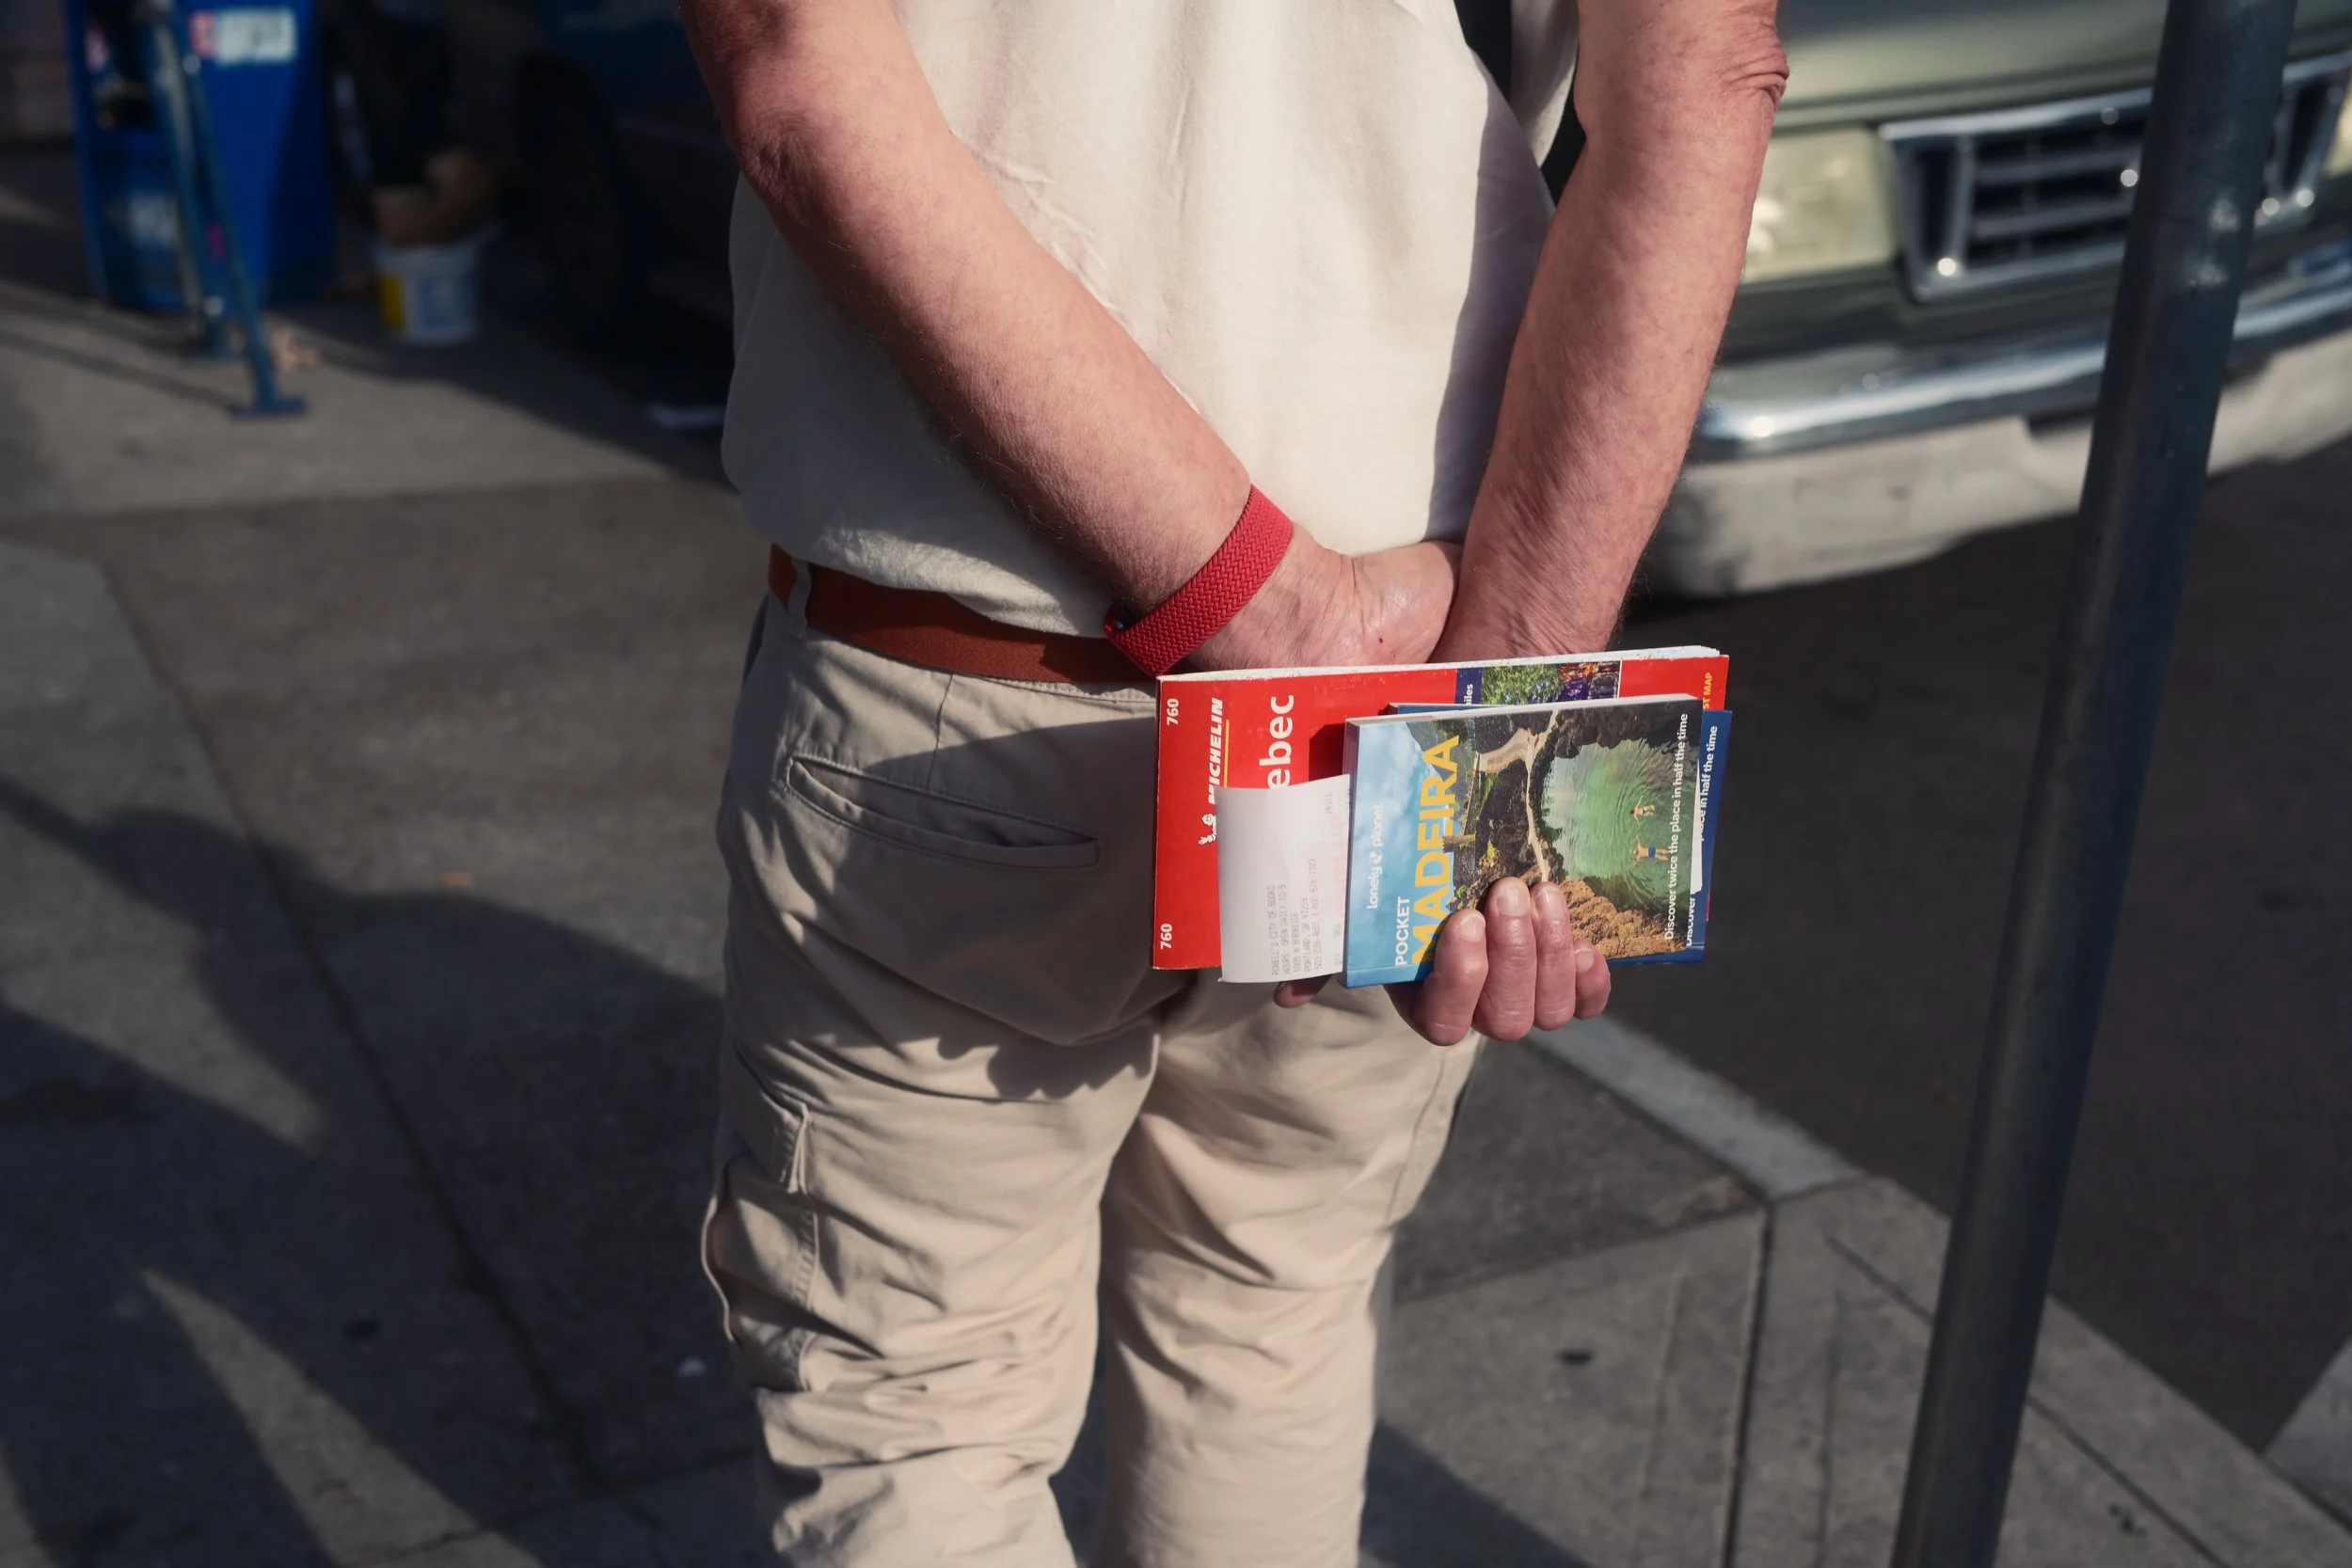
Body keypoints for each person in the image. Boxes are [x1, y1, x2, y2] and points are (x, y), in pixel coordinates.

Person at [676, 2, 1784, 1562]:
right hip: (1401, 700)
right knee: (1270, 1315)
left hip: (970, 683)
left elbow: (802, 89)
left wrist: (1280, 616)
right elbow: (1706, 79)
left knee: (912, 1414)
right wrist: (1497, 698)